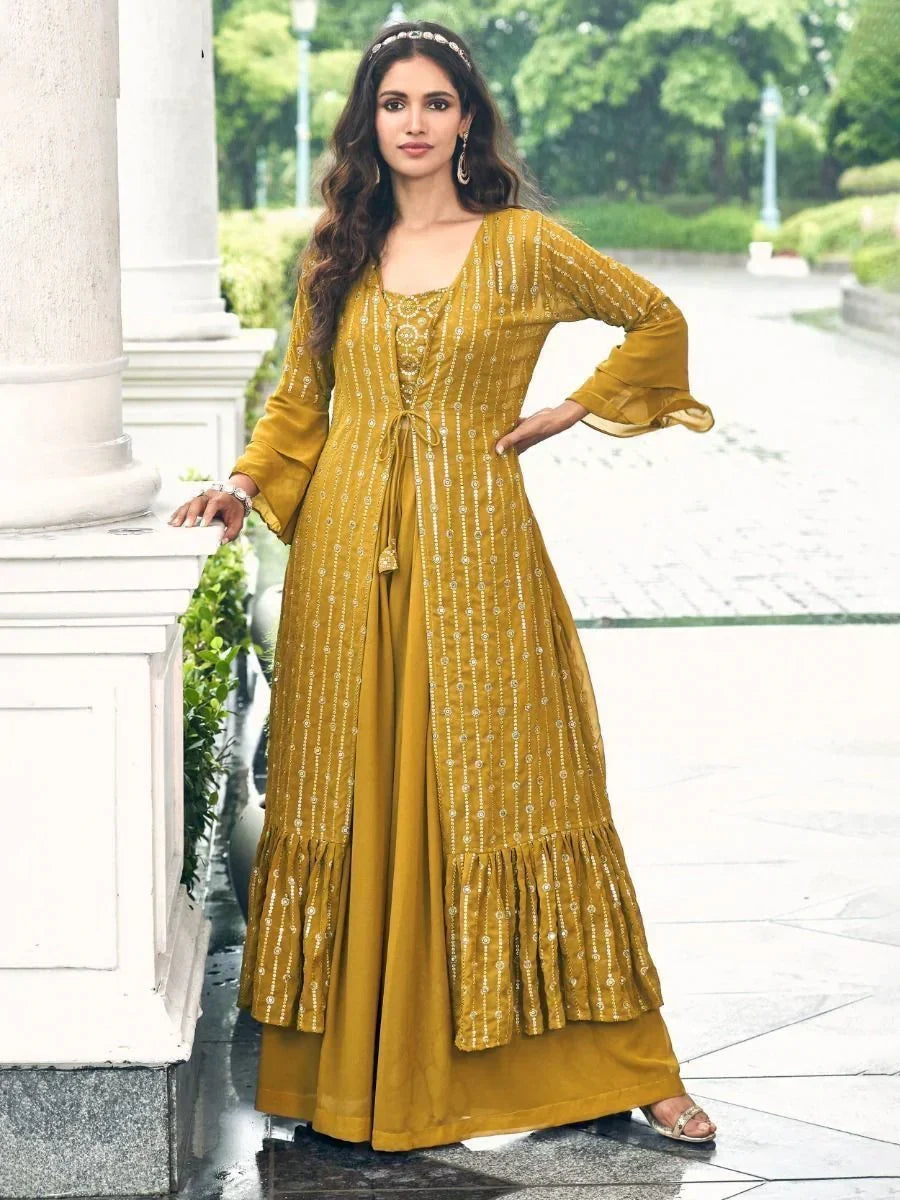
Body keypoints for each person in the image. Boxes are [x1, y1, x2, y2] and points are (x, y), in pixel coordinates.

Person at [170, 20, 718, 1153]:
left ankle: (629, 1061)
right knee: (351, 796)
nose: (413, 123)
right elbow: (298, 407)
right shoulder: (340, 252)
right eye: (392, 104)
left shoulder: (519, 244)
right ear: (369, 123)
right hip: (342, 564)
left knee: (517, 789)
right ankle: (357, 1071)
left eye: (434, 102)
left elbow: (655, 317)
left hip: (477, 560)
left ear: (467, 119)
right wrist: (237, 483)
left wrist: (573, 406)